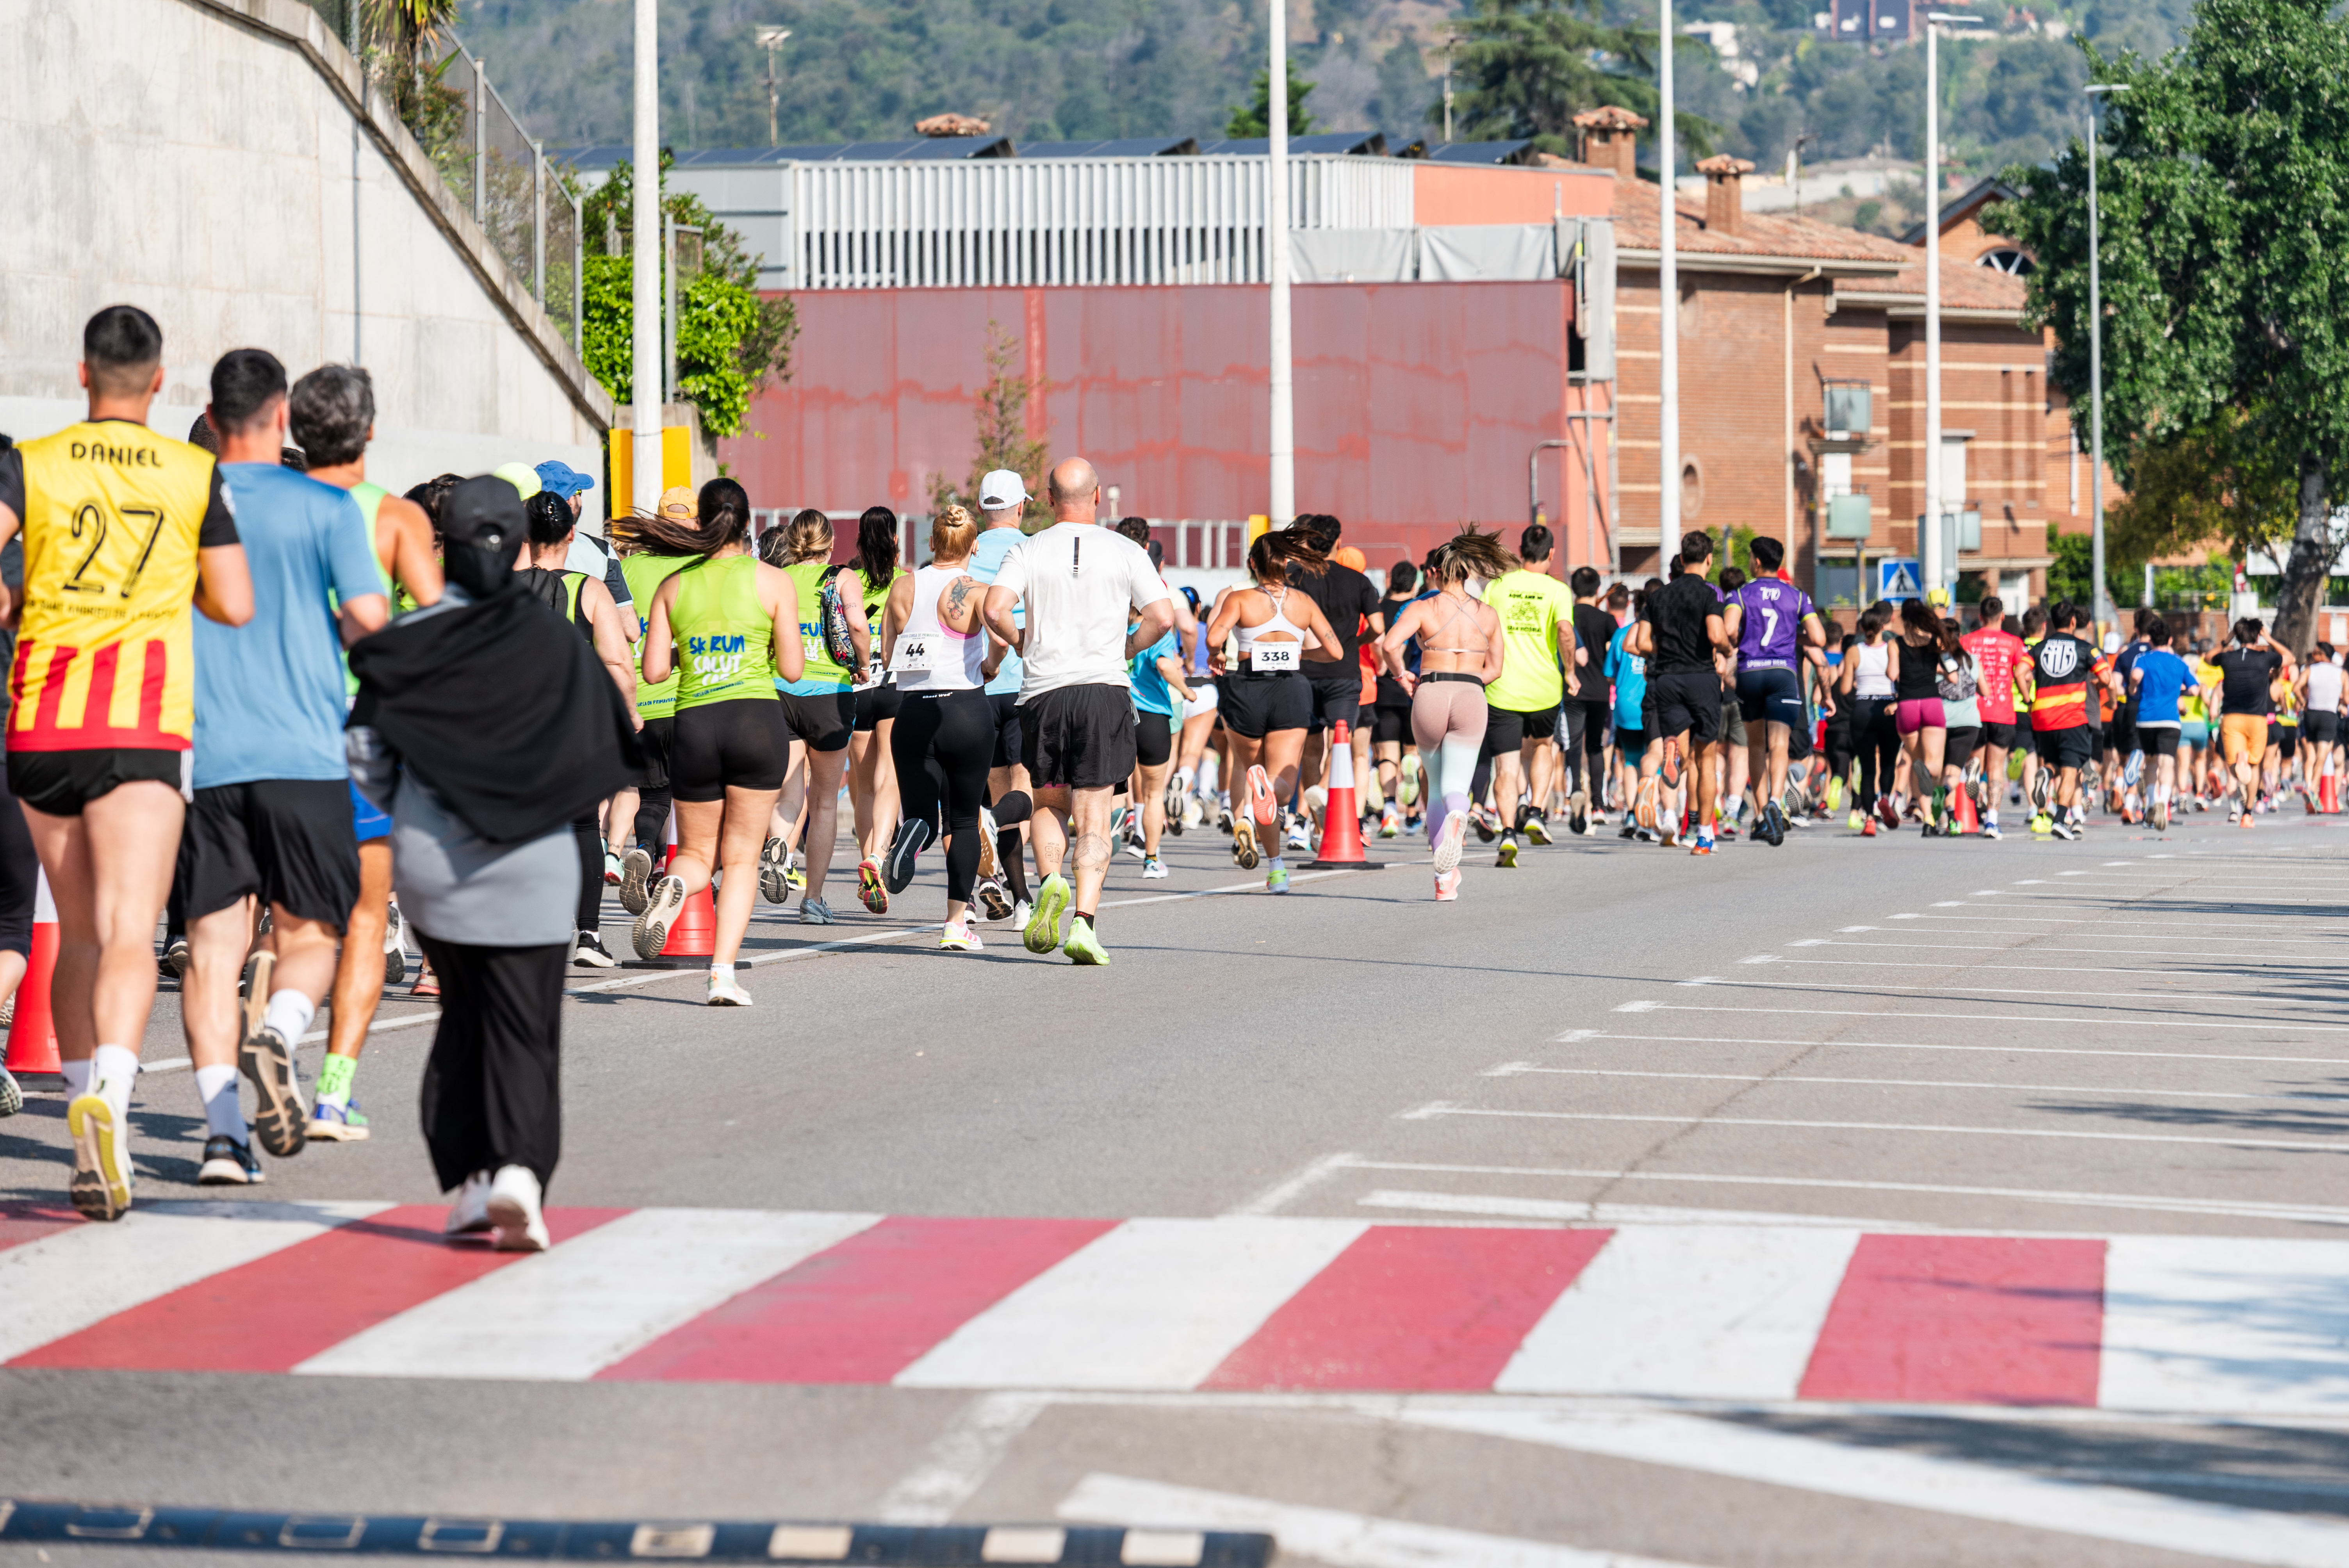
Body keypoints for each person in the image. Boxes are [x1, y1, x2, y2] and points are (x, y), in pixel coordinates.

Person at [0, 306, 255, 1220]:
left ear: (82, 375)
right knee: (129, 930)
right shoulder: (194, 472)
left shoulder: (31, 461)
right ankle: (111, 1087)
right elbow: (232, 600)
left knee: (71, 926)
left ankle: (80, 1110)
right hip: (142, 724)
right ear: (157, 382)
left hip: (41, 721)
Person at [349, 474, 638, 1249]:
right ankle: (518, 1173)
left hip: (435, 870)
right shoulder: (556, 639)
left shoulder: (409, 638)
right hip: (538, 865)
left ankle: (471, 1175)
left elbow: (365, 753)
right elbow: (607, 749)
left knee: (463, 1014)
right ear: (517, 542)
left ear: (442, 543)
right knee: (525, 1023)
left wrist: (411, 809)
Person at [165, 350, 392, 1186]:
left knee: (212, 948)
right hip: (305, 756)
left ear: (213, 414)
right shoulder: (325, 505)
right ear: (280, 414)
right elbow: (371, 619)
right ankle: (281, 1031)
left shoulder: (185, 504)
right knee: (312, 935)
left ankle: (224, 1138)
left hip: (207, 759)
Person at [291, 364, 445, 1141]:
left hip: (269, 726)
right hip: (363, 730)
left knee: (269, 920)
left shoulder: (256, 506)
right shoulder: (391, 517)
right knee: (361, 914)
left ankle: (269, 1040)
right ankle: (331, 1092)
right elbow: (437, 631)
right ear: (370, 430)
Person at [980, 457, 1173, 963]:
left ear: (1046, 499)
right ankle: (1084, 924)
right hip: (1103, 689)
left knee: (1048, 803)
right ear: (1097, 496)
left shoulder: (1028, 548)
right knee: (1094, 817)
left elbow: (993, 608)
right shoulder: (1127, 550)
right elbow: (1164, 616)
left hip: (1043, 691)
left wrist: (1022, 642)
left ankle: (1049, 881)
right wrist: (1130, 648)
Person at [636, 480, 804, 1002]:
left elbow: (656, 670)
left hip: (695, 724)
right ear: (749, 522)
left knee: (694, 851)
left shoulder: (675, 586)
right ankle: (722, 975)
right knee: (741, 858)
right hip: (754, 721)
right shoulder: (773, 582)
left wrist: (697, 655)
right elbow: (795, 671)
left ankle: (679, 884)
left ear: (703, 524)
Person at [879, 506, 1027, 948]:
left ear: (931, 543)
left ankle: (914, 831)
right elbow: (1003, 639)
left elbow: (887, 657)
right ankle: (955, 924)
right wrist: (991, 664)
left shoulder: (904, 586)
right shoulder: (978, 591)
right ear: (974, 545)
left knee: (923, 813)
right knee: (963, 820)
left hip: (913, 712)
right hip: (965, 710)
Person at [519, 490, 640, 967]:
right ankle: (588, 935)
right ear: (571, 533)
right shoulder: (590, 589)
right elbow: (616, 660)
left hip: (514, 726)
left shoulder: (501, 588)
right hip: (574, 725)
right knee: (584, 824)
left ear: (525, 535)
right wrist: (628, 710)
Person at [1202, 529, 1342, 891]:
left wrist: (1216, 655)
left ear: (1253, 564)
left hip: (1246, 686)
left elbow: (1215, 637)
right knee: (1281, 787)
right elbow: (1335, 651)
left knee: (1253, 770)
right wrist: (1299, 651)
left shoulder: (1240, 598)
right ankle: (1277, 868)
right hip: (1290, 689)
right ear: (1286, 565)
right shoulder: (1303, 603)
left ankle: (1272, 855)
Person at [1379, 530, 1509, 900]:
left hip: (1431, 692)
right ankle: (1460, 814)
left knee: (1434, 788)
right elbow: (1497, 668)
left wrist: (1401, 674)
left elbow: (1390, 645)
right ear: (1468, 572)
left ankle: (1444, 880)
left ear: (1435, 572)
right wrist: (1469, 680)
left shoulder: (1423, 607)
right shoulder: (1488, 614)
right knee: (1457, 787)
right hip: (1470, 693)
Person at [764, 509, 871, 925]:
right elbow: (858, 626)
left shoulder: (777, 578)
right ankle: (812, 899)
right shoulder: (841, 577)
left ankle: (779, 849)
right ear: (829, 544)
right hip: (830, 695)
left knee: (788, 793)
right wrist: (863, 664)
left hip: (782, 690)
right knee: (824, 802)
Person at [611, 488, 703, 915]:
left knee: (651, 796)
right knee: (697, 798)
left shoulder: (625, 569)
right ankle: (696, 879)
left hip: (638, 703)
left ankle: (645, 849)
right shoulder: (697, 570)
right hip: (687, 699)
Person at [1478, 525, 1578, 866]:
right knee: (1543, 747)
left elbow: (1480, 628)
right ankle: (1535, 810)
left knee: (1505, 765)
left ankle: (1508, 832)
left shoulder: (1497, 586)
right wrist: (1571, 672)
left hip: (1501, 686)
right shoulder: (1558, 590)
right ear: (1552, 554)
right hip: (1544, 688)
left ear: (1521, 551)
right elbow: (1565, 630)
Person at [1284, 515, 1383, 849]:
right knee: (1341, 740)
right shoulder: (1358, 580)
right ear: (1338, 541)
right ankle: (1325, 792)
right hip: (1343, 673)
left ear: (1310, 542)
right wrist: (1357, 641)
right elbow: (1378, 626)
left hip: (1303, 673)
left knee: (1311, 748)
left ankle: (1318, 827)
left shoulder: (1295, 579)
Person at [1630, 531, 1730, 855]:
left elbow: (1642, 643)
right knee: (1707, 758)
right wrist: (1727, 647)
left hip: (1667, 680)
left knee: (1685, 753)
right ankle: (1704, 836)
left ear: (1682, 559)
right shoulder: (1709, 594)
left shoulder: (1658, 597)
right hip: (1701, 677)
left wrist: (1668, 648)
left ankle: (1673, 755)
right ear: (1710, 560)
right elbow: (1716, 635)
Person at [1720, 537, 1825, 846]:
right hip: (1783, 673)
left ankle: (1760, 817)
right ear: (1778, 563)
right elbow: (1818, 637)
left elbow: (1728, 631)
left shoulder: (1740, 594)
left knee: (1755, 745)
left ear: (1754, 561)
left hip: (1751, 672)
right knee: (1780, 744)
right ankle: (1776, 803)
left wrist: (1742, 641)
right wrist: (1793, 636)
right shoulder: (1797, 595)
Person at [965, 469, 1035, 925]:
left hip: (977, 683)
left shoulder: (965, 552)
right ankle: (1023, 895)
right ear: (1022, 507)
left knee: (988, 793)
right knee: (1024, 787)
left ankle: (991, 883)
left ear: (980, 509)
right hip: (1026, 682)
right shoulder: (1033, 549)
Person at [846, 507, 905, 914]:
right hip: (894, 684)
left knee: (863, 784)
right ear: (896, 540)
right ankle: (877, 859)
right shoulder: (907, 582)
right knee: (891, 779)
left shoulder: (846, 580)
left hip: (855, 685)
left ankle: (867, 855)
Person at [2021, 600, 2113, 840]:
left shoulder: (2039, 648)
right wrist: (2098, 685)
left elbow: (2021, 672)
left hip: (2042, 717)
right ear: (2073, 622)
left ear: (2051, 623)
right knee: (2071, 770)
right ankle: (2061, 820)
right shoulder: (2086, 648)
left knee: (2053, 762)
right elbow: (2106, 676)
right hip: (2071, 718)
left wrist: (2028, 701)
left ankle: (2046, 773)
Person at [2205, 616, 2290, 828]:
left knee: (2234, 768)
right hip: (2258, 720)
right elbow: (2290, 658)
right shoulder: (2265, 658)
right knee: (2254, 768)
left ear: (2238, 635)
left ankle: (2238, 764)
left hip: (2231, 719)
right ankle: (2248, 814)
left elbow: (2208, 658)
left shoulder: (2227, 658)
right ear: (2258, 635)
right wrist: (2269, 639)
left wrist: (2227, 639)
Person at [1960, 596, 2026, 841]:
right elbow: (2024, 673)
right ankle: (1992, 821)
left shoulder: (1966, 641)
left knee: (1975, 762)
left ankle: (1975, 780)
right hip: (2003, 712)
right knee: (1997, 768)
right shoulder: (2014, 643)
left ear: (1980, 616)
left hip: (1972, 712)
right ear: (2003, 616)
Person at [1836, 609, 1900, 836]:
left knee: (1866, 768)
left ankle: (1870, 819)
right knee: (1889, 761)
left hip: (1862, 708)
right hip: (1887, 708)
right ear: (1884, 626)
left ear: (1862, 629)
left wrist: (1857, 682)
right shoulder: (1893, 647)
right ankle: (1885, 798)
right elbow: (1898, 677)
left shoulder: (1854, 651)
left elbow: (1844, 689)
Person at [1564, 566, 1617, 836]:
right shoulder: (1607, 620)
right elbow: (1616, 651)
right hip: (1599, 691)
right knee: (1596, 746)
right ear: (1598, 589)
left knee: (1574, 744)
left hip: (1572, 690)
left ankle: (1575, 789)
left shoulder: (1565, 616)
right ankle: (1598, 804)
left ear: (1573, 589)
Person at [1370, 560, 1421, 836]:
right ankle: (1412, 815)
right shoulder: (1417, 609)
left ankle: (1390, 812)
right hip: (1413, 688)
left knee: (1386, 754)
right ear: (1414, 584)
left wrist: (1383, 666)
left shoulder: (1378, 608)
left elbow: (1377, 642)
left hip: (1383, 690)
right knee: (1412, 754)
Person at [2128, 615, 2192, 832]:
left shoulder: (2144, 659)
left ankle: (2150, 803)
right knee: (2167, 763)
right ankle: (2163, 803)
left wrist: (2133, 689)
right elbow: (2195, 689)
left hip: (2146, 719)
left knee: (2151, 763)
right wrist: (2178, 691)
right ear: (2171, 640)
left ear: (2151, 641)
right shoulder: (2179, 662)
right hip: (2170, 720)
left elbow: (2136, 677)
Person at [1889, 599, 1949, 833]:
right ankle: (1931, 814)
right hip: (1932, 703)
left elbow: (1892, 673)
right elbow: (1949, 651)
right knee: (1933, 763)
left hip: (1907, 706)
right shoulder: (1934, 641)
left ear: (1903, 619)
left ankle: (1928, 821)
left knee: (1916, 763)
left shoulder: (1895, 644)